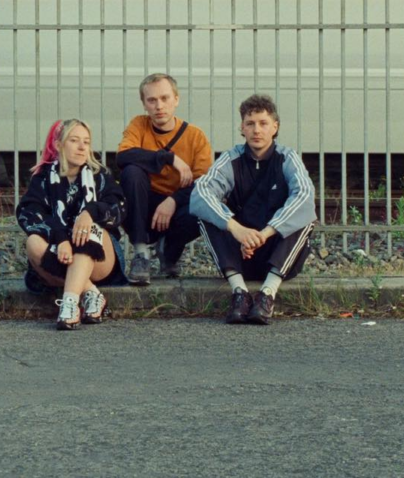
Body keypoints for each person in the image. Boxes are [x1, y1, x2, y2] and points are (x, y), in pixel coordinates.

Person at [192, 93, 316, 325]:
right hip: (240, 255)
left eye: (263, 123)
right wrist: (237, 230)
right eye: (250, 124)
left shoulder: (287, 158)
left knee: (304, 215)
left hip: (278, 255)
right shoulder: (231, 159)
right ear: (242, 128)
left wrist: (265, 234)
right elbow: (201, 194)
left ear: (275, 127)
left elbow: (304, 196)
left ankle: (267, 294)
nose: (256, 130)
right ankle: (239, 293)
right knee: (206, 214)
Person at [16, 119, 126, 330]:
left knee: (89, 230)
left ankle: (69, 305)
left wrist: (90, 212)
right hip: (59, 255)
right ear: (58, 145)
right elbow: (28, 213)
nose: (82, 147)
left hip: (99, 258)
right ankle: (91, 293)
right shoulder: (43, 178)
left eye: (86, 141)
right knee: (33, 242)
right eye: (74, 140)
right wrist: (60, 238)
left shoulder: (100, 175)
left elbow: (118, 208)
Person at [116, 72, 212, 284]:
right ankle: (141, 254)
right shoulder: (139, 125)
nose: (159, 106)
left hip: (176, 208)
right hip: (144, 207)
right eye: (152, 100)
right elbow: (123, 156)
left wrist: (173, 200)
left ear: (176, 99)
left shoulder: (195, 136)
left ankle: (169, 250)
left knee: (206, 206)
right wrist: (169, 158)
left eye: (164, 98)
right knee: (131, 172)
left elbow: (204, 184)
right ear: (144, 104)